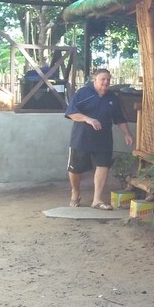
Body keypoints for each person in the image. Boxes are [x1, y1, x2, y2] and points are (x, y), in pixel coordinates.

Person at [65, 68, 133, 209]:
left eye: (108, 79)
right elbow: (71, 113)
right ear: (94, 80)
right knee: (75, 169)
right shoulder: (83, 93)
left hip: (103, 138)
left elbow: (119, 118)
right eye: (103, 79)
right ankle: (75, 192)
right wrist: (87, 119)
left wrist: (127, 133)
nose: (106, 82)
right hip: (81, 137)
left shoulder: (112, 98)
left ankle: (97, 200)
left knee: (103, 166)